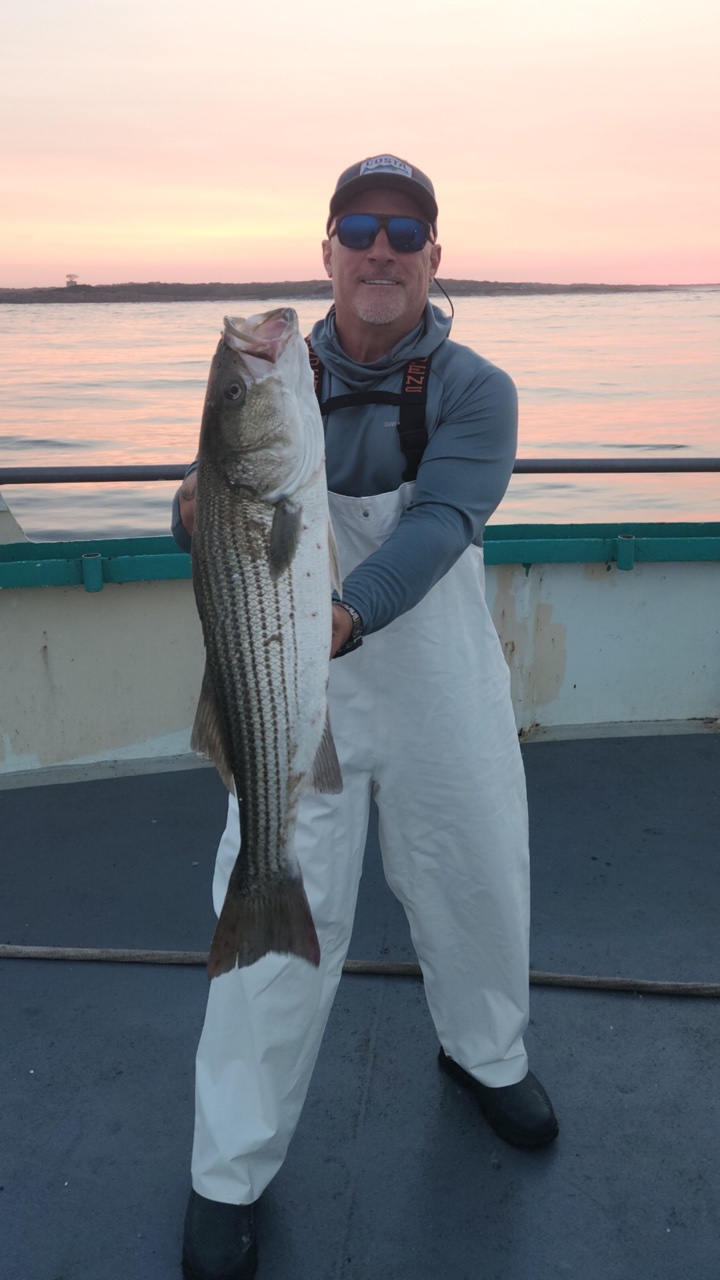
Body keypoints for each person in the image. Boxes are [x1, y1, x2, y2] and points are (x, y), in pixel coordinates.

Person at [173, 154, 558, 1280]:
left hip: (426, 667)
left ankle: (487, 1053)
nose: (380, 248)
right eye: (359, 227)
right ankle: (227, 1168)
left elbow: (443, 523)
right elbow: (213, 503)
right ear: (328, 248)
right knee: (271, 916)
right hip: (292, 684)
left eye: (405, 230)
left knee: (476, 869)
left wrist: (346, 613)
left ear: (435, 256)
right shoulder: (278, 379)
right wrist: (186, 506)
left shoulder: (474, 386)